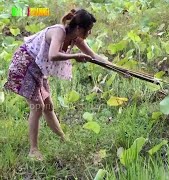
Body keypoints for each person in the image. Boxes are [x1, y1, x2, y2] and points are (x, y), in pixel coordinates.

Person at [3, 8, 112, 161]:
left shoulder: (76, 38)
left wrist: (120, 70)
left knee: (48, 105)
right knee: (37, 107)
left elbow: (93, 56)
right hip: (25, 64)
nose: (90, 34)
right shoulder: (59, 32)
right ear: (80, 28)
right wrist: (75, 56)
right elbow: (53, 55)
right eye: (89, 30)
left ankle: (63, 138)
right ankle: (33, 150)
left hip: (38, 68)